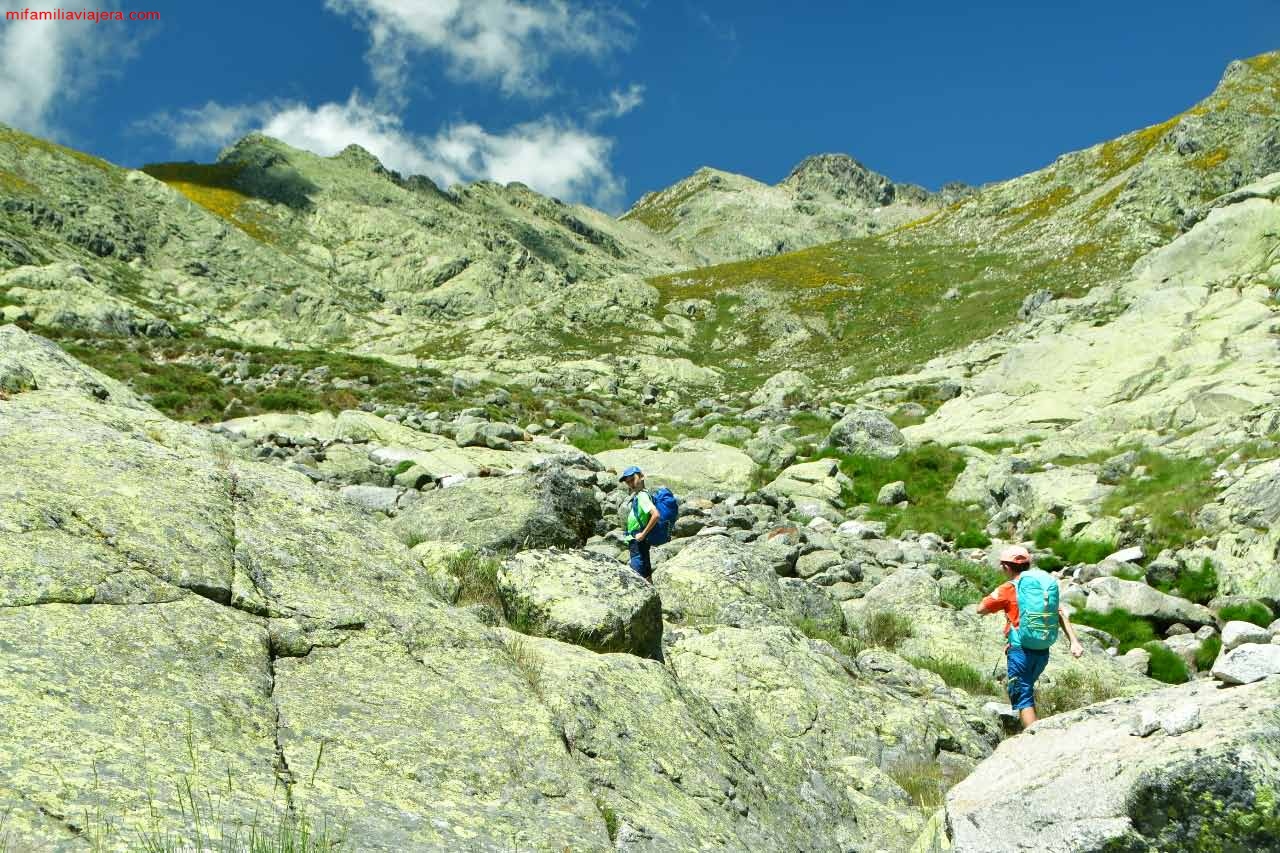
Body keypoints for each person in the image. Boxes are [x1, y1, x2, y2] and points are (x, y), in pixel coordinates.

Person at [978, 544, 1085, 729]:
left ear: (1006, 567)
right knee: (1025, 688)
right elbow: (1059, 613)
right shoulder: (1041, 586)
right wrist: (1074, 642)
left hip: (1021, 650)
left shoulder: (1008, 588)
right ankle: (1031, 726)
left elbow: (981, 608)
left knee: (1022, 694)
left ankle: (1033, 737)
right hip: (1042, 650)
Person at [620, 466, 659, 581]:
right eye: (628, 482)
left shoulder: (642, 496)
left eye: (632, 479)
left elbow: (656, 515)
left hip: (638, 541)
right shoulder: (641, 495)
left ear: (641, 476)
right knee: (645, 572)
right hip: (639, 541)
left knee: (637, 577)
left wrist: (643, 534)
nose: (631, 484)